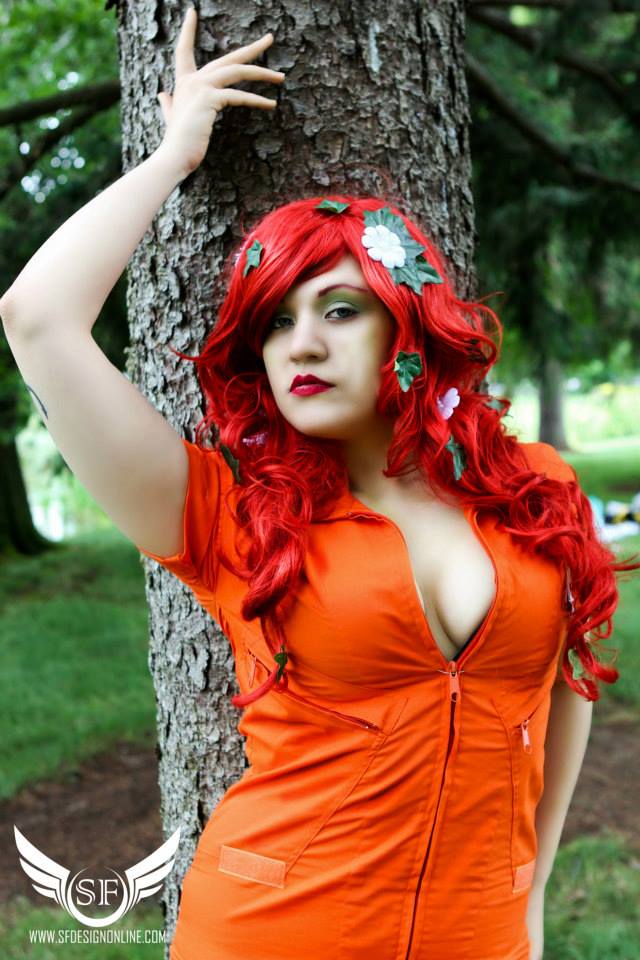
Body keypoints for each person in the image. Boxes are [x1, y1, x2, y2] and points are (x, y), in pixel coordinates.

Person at [2, 8, 638, 960]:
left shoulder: (533, 492)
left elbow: (563, 686)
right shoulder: (227, 515)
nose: (300, 344)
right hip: (273, 934)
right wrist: (175, 155)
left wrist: (531, 896)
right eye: (275, 321)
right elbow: (37, 317)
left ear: (407, 323)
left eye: (339, 310)